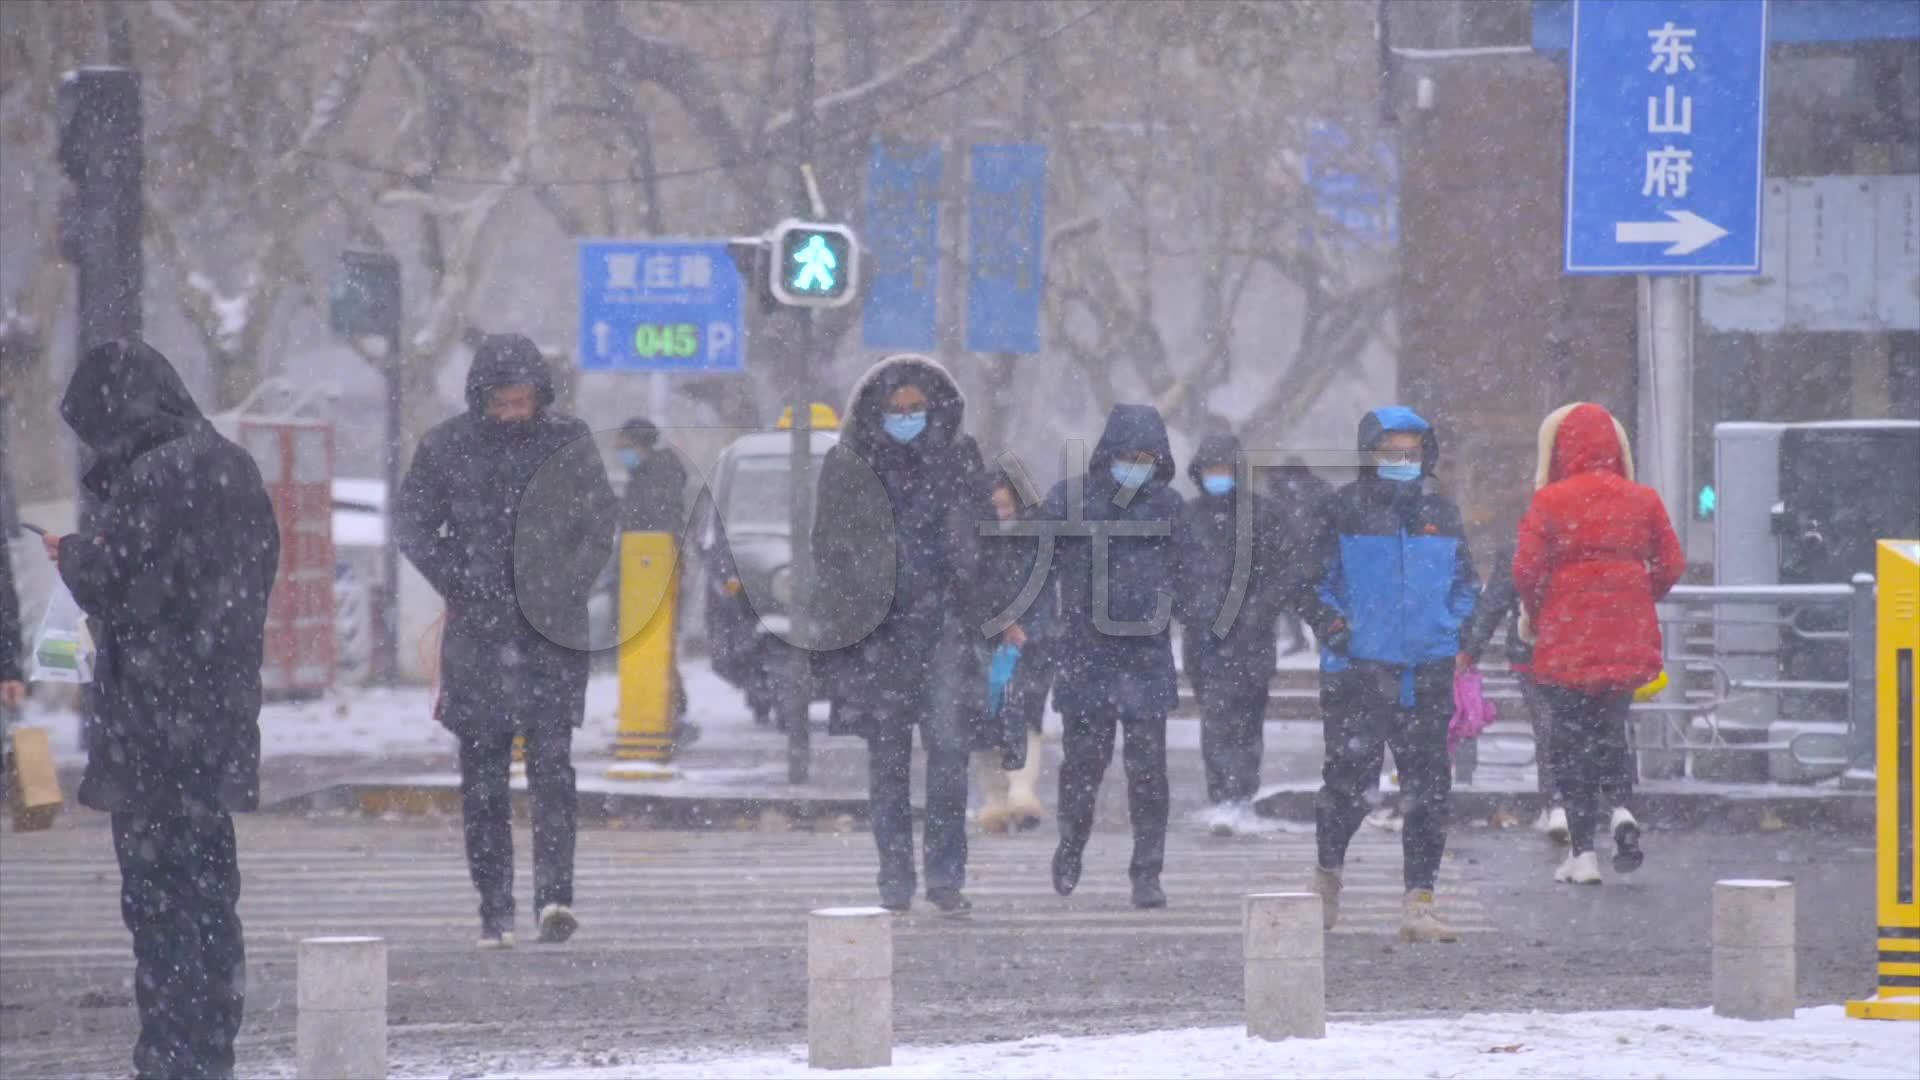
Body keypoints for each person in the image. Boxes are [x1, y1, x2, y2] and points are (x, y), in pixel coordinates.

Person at [47, 338, 279, 1079]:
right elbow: (248, 575)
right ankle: (212, 1047)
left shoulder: (151, 477)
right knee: (212, 896)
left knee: (158, 902)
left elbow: (122, 582)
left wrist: (74, 554)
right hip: (217, 717)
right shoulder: (232, 465)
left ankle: (170, 1057)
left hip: (151, 721)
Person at [397, 333, 618, 947]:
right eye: (503, 403)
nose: (515, 413)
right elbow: (413, 524)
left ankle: (555, 898)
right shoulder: (446, 448)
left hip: (552, 636)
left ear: (540, 397)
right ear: (482, 399)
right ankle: (494, 907)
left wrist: (563, 586)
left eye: (524, 401)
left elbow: (599, 522)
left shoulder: (568, 442)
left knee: (553, 770)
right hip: (477, 637)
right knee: (483, 779)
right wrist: (461, 582)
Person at [811, 354, 994, 916]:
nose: (907, 417)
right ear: (876, 411)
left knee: (948, 755)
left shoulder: (960, 458)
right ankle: (894, 878)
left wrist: (980, 609)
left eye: (916, 408)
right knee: (888, 761)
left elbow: (984, 540)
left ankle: (945, 878)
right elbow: (828, 550)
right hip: (880, 636)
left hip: (944, 628)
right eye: (896, 409)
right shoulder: (849, 463)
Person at [1301, 407, 1479, 943]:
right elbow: (1310, 583)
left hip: (1425, 671)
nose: (1403, 462)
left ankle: (1418, 902)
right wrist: (1338, 630)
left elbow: (1466, 583)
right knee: (1349, 787)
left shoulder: (1441, 513)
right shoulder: (1341, 510)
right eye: (1391, 452)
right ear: (1369, 454)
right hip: (1358, 672)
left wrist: (1455, 632)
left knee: (1428, 791)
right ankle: (1327, 873)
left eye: (1412, 452)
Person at [1513, 402, 1683, 885]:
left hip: (1568, 635)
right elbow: (1671, 563)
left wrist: (1541, 608)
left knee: (1570, 743)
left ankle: (1583, 855)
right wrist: (1638, 595)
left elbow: (1525, 569)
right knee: (1611, 727)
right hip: (1625, 631)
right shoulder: (1642, 499)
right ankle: (1623, 809)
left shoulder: (1551, 501)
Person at [1044, 404, 1184, 910]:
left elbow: (1192, 574)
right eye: (1128, 455)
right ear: (1108, 454)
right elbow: (1039, 567)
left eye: (1146, 457)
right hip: (1087, 653)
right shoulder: (1070, 500)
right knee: (1083, 766)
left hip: (1146, 655)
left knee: (1148, 771)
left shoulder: (1170, 508)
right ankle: (1071, 845)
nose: (1136, 464)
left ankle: (1147, 872)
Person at [1177, 432, 1288, 836]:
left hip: (1252, 639)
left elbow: (1281, 572)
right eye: (1211, 469)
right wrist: (1191, 610)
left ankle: (1242, 791)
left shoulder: (1264, 515)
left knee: (1247, 719)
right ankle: (1223, 794)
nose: (1217, 476)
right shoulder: (1186, 518)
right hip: (1205, 640)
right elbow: (1174, 574)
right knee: (1216, 720)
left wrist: (1258, 611)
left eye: (1224, 469)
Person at [1460, 544, 1578, 839]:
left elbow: (1493, 604)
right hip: (1577, 647)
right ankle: (1583, 802)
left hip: (1531, 649)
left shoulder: (1519, 548)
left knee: (1547, 725)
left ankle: (1556, 804)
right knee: (1577, 725)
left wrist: (1470, 652)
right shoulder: (1584, 543)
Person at [973, 468, 1055, 834]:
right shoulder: (972, 541)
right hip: (983, 644)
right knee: (984, 722)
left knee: (1022, 717)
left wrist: (1028, 632)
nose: (1001, 515)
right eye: (995, 508)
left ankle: (1021, 793)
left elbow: (1043, 596)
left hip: (1027, 644)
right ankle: (995, 799)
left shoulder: (1038, 542)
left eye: (1007, 507)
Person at [612, 416, 694, 745]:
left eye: (624, 446)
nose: (620, 452)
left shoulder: (655, 477)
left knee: (651, 639)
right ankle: (667, 706)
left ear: (639, 444)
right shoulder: (649, 475)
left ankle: (663, 709)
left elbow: (650, 522)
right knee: (653, 640)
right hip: (648, 570)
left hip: (651, 571)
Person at [1267, 457, 1332, 655]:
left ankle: (1310, 640)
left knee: (1303, 601)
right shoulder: (1289, 492)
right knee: (1300, 600)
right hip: (1303, 556)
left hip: (1306, 556)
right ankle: (1316, 640)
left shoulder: (1311, 492)